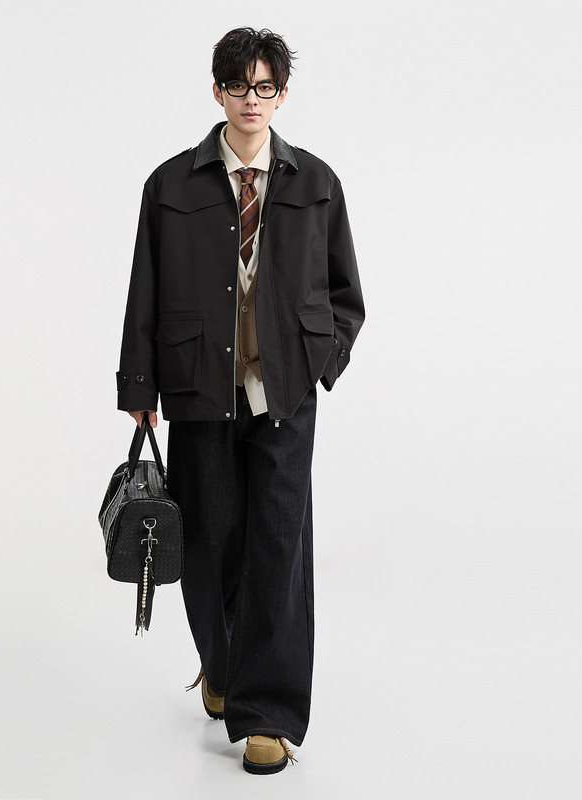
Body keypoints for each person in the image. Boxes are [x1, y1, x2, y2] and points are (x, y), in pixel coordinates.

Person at [116, 27, 365, 774]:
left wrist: (320, 359)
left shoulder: (316, 181)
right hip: (199, 389)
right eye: (238, 86)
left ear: (281, 94)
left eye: (264, 87)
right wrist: (139, 386)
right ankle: (222, 666)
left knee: (278, 550)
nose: (251, 100)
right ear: (217, 90)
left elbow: (346, 294)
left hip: (283, 393)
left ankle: (269, 712)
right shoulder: (171, 185)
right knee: (209, 542)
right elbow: (145, 290)